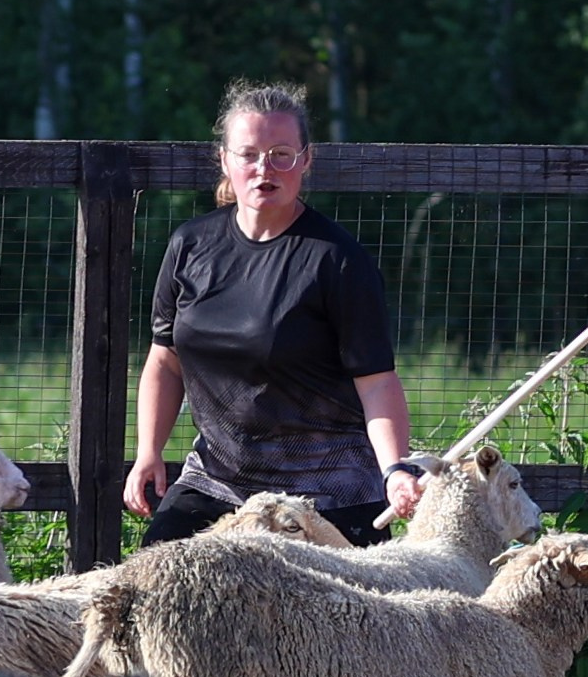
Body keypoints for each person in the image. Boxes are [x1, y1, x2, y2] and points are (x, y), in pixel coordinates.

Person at [122, 79, 423, 548]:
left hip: (326, 492)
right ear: (225, 160)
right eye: (249, 154)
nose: (266, 168)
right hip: (218, 481)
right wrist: (149, 453)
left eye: (282, 154)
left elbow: (378, 381)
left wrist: (395, 469)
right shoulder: (190, 245)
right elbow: (165, 360)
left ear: (306, 160)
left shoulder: (338, 259)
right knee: (156, 581)